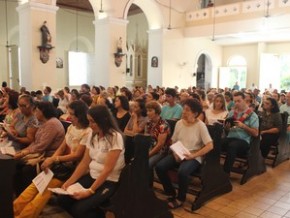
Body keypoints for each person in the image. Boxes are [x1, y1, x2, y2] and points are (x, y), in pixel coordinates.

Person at [13, 100, 91, 218]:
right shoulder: (71, 127)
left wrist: (54, 160)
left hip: (71, 169)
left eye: (72, 114)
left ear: (80, 115)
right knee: (34, 186)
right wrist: (51, 160)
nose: (69, 116)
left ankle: (24, 216)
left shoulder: (87, 132)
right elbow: (62, 147)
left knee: (44, 191)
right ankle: (12, 210)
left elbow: (77, 156)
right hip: (61, 164)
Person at [57, 105, 125, 218]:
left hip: (109, 181)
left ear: (103, 120)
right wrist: (69, 182)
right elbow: (84, 163)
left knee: (79, 210)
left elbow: (108, 170)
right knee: (63, 200)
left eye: (93, 122)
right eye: (89, 121)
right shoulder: (93, 135)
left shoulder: (115, 137)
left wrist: (90, 191)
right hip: (92, 176)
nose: (90, 125)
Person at [155, 99, 213, 209]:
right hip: (179, 152)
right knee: (160, 167)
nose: (183, 112)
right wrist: (175, 152)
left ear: (195, 113)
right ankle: (171, 192)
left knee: (182, 172)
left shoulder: (200, 126)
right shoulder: (179, 123)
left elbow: (210, 145)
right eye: (183, 109)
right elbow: (173, 140)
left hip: (194, 156)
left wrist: (193, 155)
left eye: (187, 110)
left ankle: (180, 198)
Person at [13, 102, 65, 195]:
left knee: (26, 169)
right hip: (40, 153)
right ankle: (19, 195)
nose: (35, 113)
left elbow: (41, 146)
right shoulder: (44, 122)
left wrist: (23, 153)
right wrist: (23, 151)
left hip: (48, 157)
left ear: (43, 111)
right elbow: (35, 142)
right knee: (16, 164)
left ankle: (26, 195)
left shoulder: (52, 124)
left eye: (37, 111)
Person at [222, 91, 259, 174]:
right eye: (235, 101)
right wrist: (226, 128)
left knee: (232, 146)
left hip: (244, 141)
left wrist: (244, 126)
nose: (236, 103)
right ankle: (213, 169)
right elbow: (227, 130)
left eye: (239, 101)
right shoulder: (232, 113)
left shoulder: (252, 115)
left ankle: (225, 173)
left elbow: (256, 133)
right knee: (216, 143)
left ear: (245, 100)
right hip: (231, 137)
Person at [145, 101, 171, 186]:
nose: (147, 113)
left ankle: (148, 187)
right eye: (147, 110)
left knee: (147, 163)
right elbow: (146, 138)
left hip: (162, 151)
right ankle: (143, 184)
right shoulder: (149, 123)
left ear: (156, 112)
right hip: (151, 148)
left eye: (150, 111)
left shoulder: (163, 125)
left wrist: (147, 155)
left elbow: (160, 145)